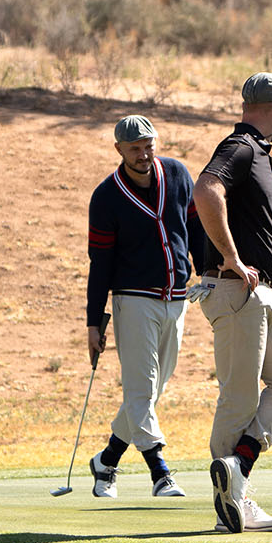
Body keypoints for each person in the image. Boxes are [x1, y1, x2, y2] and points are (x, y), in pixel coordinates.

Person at [192, 72, 272, 534]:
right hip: (236, 288)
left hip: (260, 293)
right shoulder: (240, 147)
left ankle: (237, 466)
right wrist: (232, 258)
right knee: (238, 399)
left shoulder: (256, 150)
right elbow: (205, 191)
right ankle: (231, 509)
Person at [83, 115, 198, 499]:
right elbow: (100, 263)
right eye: (134, 148)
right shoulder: (106, 196)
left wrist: (211, 271)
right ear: (118, 150)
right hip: (133, 300)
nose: (143, 154)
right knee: (140, 387)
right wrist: (93, 322)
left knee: (151, 389)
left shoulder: (179, 175)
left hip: (177, 297)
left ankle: (107, 460)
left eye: (148, 145)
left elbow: (196, 229)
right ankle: (160, 471)